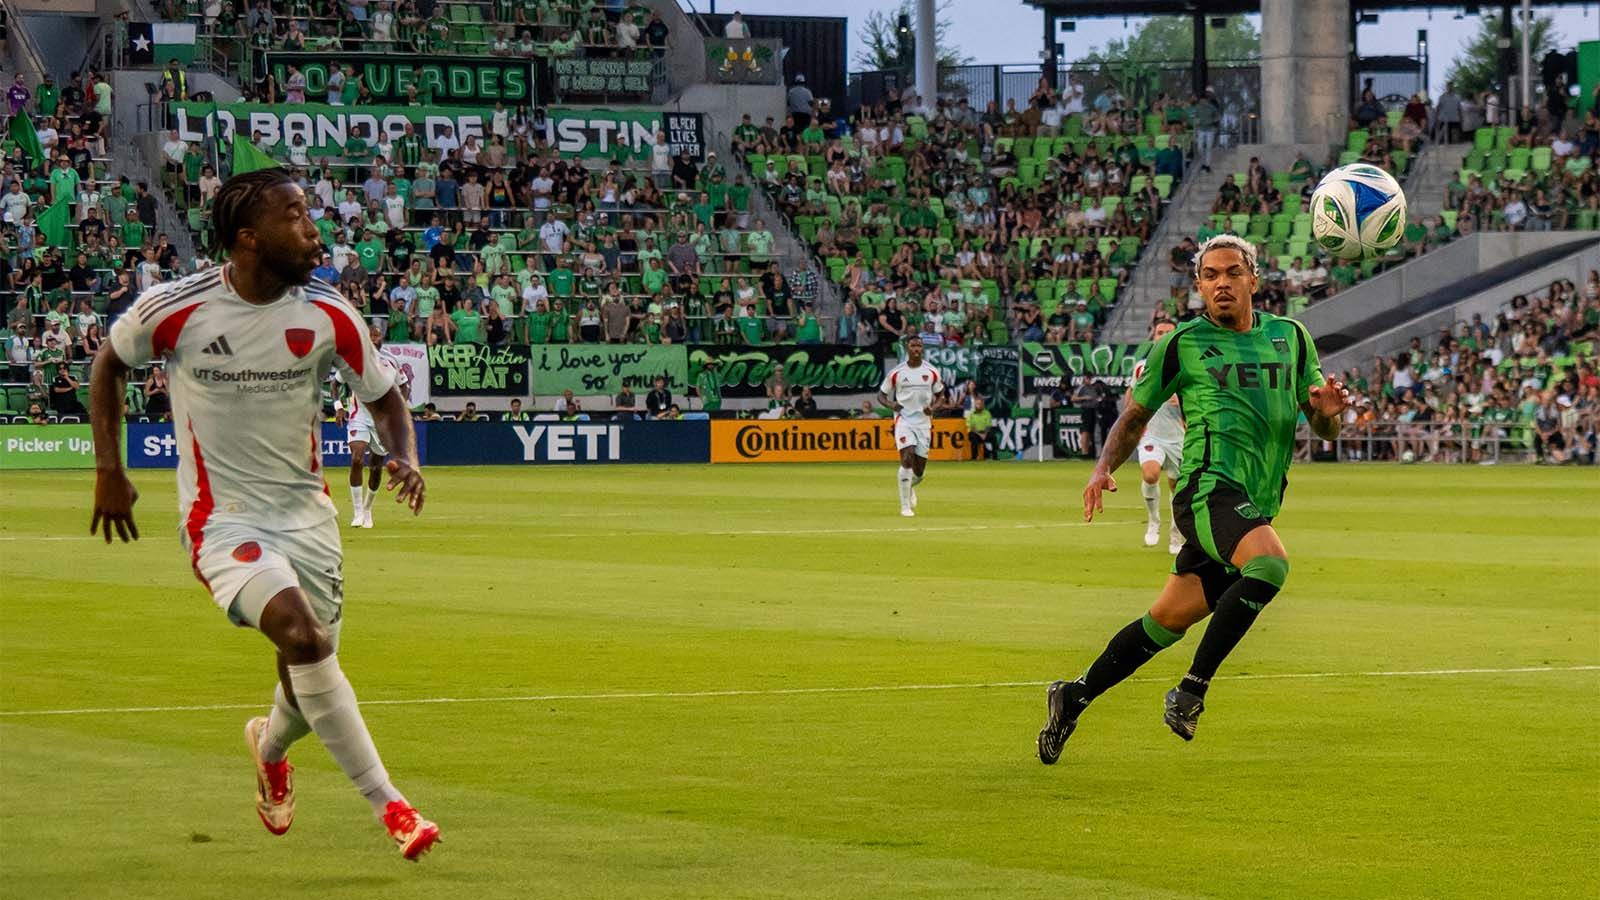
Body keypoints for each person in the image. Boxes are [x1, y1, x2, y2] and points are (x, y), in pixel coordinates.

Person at [87, 168, 441, 858]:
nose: (314, 230)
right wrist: (109, 469)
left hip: (308, 520)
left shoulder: (329, 312)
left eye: (309, 214)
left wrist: (408, 457)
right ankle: (393, 807)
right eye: (296, 216)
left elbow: (387, 398)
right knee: (303, 639)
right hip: (223, 521)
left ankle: (270, 745)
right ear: (249, 238)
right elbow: (109, 364)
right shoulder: (177, 307)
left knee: (306, 661)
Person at [1038, 234, 1348, 762]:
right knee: (1270, 565)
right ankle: (1192, 690)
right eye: (1210, 276)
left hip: (1257, 498)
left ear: (1254, 278)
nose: (1221, 283)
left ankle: (1074, 695)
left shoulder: (1292, 339)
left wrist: (1327, 410)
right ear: (1199, 285)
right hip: (1207, 488)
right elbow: (1136, 413)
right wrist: (1102, 467)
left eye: (1232, 272)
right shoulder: (1181, 343)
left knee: (1165, 622)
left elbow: (1326, 431)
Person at [341, 324, 410, 529]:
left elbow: (404, 385)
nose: (374, 339)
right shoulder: (353, 359)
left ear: (381, 339)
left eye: (377, 336)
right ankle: (357, 512)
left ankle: (368, 508)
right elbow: (336, 383)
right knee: (356, 458)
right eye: (370, 336)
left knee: (376, 466)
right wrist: (338, 406)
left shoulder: (390, 361)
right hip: (359, 415)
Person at [1130, 319, 1185, 553]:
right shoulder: (1142, 367)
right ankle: (1153, 521)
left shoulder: (1186, 367)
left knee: (1177, 488)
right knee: (1150, 475)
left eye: (1167, 333)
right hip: (1151, 434)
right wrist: (1132, 424)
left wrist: (1180, 400)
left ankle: (1176, 535)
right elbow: (1133, 396)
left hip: (1179, 436)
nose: (1162, 336)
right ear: (1153, 336)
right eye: (1159, 332)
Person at [877, 334, 946, 517]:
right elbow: (881, 395)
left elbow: (941, 395)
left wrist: (934, 407)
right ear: (907, 348)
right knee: (906, 458)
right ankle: (905, 507)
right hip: (904, 420)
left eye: (919, 346)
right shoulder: (897, 372)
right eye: (913, 346)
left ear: (922, 348)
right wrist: (893, 405)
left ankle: (909, 486)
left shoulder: (931, 371)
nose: (916, 349)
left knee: (919, 472)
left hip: (924, 423)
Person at [965, 394, 994, 460]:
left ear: (983, 405)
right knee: (973, 438)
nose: (979, 405)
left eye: (980, 404)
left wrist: (985, 434)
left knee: (992, 436)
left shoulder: (987, 413)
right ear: (975, 405)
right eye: (977, 404)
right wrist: (980, 434)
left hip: (984, 432)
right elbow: (971, 427)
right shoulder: (971, 414)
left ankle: (994, 457)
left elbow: (988, 425)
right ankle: (974, 457)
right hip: (975, 432)